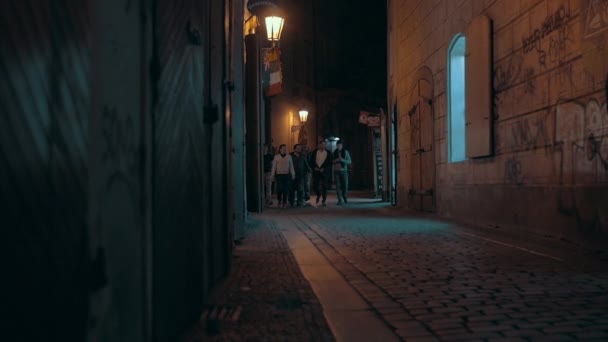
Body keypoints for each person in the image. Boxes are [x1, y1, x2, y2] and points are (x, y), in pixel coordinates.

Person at [271, 144, 295, 209]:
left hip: (286, 175)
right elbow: (274, 167)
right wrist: (272, 176)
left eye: (286, 148)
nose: (285, 149)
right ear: (280, 149)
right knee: (279, 188)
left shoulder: (289, 157)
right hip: (279, 175)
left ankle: (284, 202)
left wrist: (293, 174)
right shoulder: (276, 157)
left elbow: (291, 166)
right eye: (283, 148)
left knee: (285, 189)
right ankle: (279, 200)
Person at [309, 140, 332, 206]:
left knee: (324, 186)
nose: (323, 146)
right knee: (315, 185)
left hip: (324, 172)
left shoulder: (328, 153)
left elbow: (330, 163)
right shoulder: (315, 152)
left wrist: (324, 168)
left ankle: (324, 200)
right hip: (316, 171)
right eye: (321, 144)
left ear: (325, 145)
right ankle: (318, 194)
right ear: (319, 145)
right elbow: (311, 161)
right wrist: (314, 167)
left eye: (324, 144)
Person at [332, 140, 352, 205]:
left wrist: (343, 160)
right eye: (338, 146)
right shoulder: (334, 152)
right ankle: (339, 199)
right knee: (338, 186)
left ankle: (345, 196)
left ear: (342, 146)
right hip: (336, 171)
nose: (339, 147)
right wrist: (336, 160)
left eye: (340, 145)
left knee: (345, 185)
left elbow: (349, 161)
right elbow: (331, 161)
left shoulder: (346, 152)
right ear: (336, 146)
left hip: (344, 171)